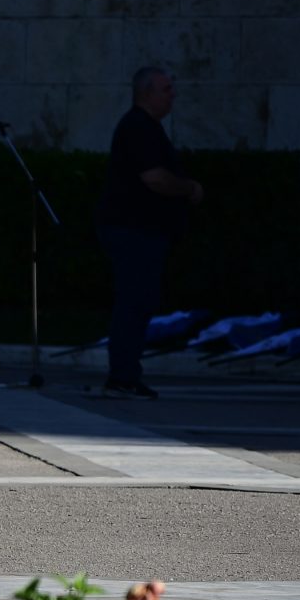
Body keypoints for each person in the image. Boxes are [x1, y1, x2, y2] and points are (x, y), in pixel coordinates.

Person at [93, 66, 204, 400]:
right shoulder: (138, 128)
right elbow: (154, 177)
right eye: (166, 89)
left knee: (138, 303)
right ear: (146, 93)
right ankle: (123, 375)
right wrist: (189, 189)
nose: (172, 95)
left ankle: (126, 373)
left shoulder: (146, 127)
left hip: (142, 230)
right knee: (133, 302)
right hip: (133, 231)